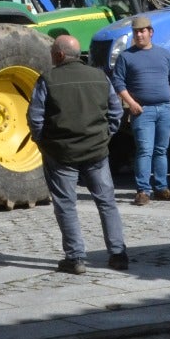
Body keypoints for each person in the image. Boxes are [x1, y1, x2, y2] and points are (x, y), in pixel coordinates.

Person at [30, 34, 128, 274]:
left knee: (66, 205)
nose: (51, 56)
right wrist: (105, 137)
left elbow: (35, 118)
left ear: (60, 55)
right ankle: (118, 254)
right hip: (96, 152)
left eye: (53, 52)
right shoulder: (99, 76)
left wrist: (44, 143)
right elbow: (116, 111)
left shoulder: (48, 79)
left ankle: (75, 258)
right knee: (107, 203)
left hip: (61, 154)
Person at [109, 14, 170, 204]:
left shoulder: (164, 54)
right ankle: (143, 190)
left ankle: (162, 188)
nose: (139, 35)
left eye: (142, 31)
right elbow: (118, 83)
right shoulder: (126, 57)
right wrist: (132, 103)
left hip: (165, 109)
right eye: (136, 32)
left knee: (161, 150)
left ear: (150, 32)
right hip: (142, 111)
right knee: (144, 150)